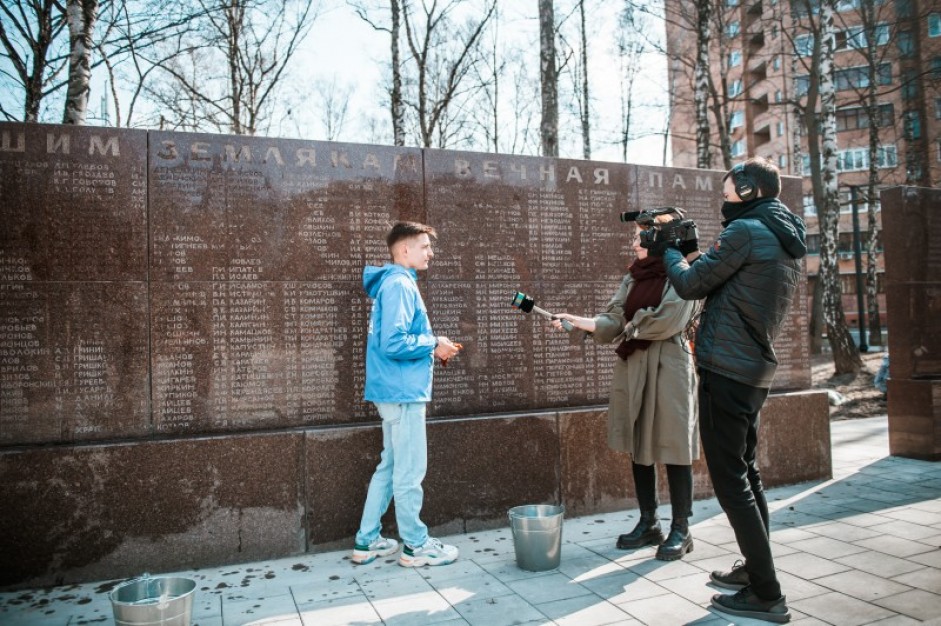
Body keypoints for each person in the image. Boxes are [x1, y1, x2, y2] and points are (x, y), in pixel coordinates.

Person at [655, 157, 805, 624]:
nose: (724, 201)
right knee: (747, 472)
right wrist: (692, 248)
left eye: (727, 193)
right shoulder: (779, 233)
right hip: (751, 368)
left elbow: (690, 284)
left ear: (748, 190)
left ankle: (767, 593)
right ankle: (754, 572)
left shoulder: (745, 231)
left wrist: (668, 249)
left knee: (731, 481)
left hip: (726, 368)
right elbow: (722, 274)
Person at [551, 209, 701, 562]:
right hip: (634, 364)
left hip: (669, 365)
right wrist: (581, 322)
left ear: (661, 239)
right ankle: (649, 523)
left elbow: (667, 320)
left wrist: (626, 327)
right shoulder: (634, 276)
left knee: (674, 444)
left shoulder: (687, 273)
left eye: (640, 236)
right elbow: (615, 316)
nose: (634, 243)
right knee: (638, 442)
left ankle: (682, 528)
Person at [352, 221, 462, 568]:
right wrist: (433, 343)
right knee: (410, 469)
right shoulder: (400, 284)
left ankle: (367, 540)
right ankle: (416, 545)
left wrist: (432, 345)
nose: (431, 253)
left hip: (393, 389)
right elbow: (394, 342)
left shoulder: (393, 283)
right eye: (425, 246)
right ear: (404, 249)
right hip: (402, 392)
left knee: (391, 465)